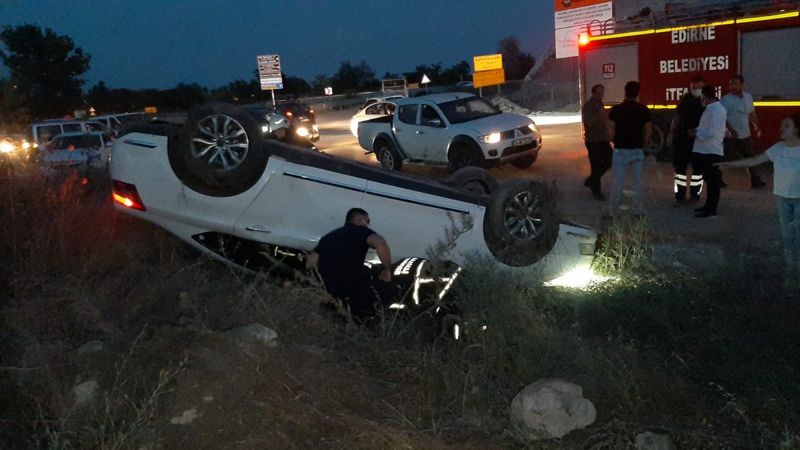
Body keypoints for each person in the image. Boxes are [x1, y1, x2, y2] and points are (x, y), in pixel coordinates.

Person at [717, 114, 800, 292]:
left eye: (786, 126)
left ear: (797, 130)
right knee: (787, 237)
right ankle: (791, 273)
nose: (781, 129)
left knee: (798, 237)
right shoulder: (778, 149)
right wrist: (731, 165)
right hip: (782, 199)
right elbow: (755, 160)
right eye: (782, 125)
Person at [305, 208, 393, 318]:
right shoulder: (361, 231)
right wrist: (387, 269)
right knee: (385, 286)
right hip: (348, 290)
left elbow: (311, 261)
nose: (368, 225)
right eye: (367, 222)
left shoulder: (328, 237)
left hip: (327, 289)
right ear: (361, 220)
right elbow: (379, 242)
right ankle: (367, 319)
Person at [607, 80, 652, 217]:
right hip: (637, 150)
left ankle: (613, 210)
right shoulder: (643, 110)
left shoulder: (616, 110)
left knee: (618, 181)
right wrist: (642, 144)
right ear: (637, 93)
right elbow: (648, 131)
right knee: (637, 181)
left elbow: (610, 131)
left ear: (625, 91)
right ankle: (638, 210)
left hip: (621, 150)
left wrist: (615, 141)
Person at [720, 74, 767, 189]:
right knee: (725, 158)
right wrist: (731, 130)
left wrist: (757, 126)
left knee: (750, 157)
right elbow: (722, 117)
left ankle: (755, 180)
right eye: (731, 84)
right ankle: (716, 179)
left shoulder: (748, 97)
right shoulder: (726, 99)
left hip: (745, 134)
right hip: (730, 137)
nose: (732, 86)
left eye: (735, 84)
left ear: (741, 85)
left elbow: (751, 113)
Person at [690, 85, 727, 218]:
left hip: (711, 151)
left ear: (705, 96)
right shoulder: (712, 109)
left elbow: (712, 131)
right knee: (710, 182)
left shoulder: (716, 110)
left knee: (713, 183)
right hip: (706, 150)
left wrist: (696, 132)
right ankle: (708, 207)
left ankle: (711, 210)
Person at [669, 75, 705, 204]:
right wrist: (672, 131)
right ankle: (680, 196)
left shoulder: (704, 101)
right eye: (696, 86)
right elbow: (678, 116)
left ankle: (694, 194)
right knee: (681, 168)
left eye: (700, 86)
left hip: (698, 139)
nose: (698, 89)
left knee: (698, 168)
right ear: (691, 86)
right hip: (683, 139)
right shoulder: (686, 100)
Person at [581, 84, 613, 201]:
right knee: (595, 165)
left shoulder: (600, 104)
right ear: (593, 93)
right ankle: (596, 191)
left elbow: (604, 121)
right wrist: (598, 116)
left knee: (610, 160)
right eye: (599, 92)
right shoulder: (588, 106)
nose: (601, 95)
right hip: (593, 140)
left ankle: (591, 180)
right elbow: (588, 122)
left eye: (602, 92)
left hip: (603, 139)